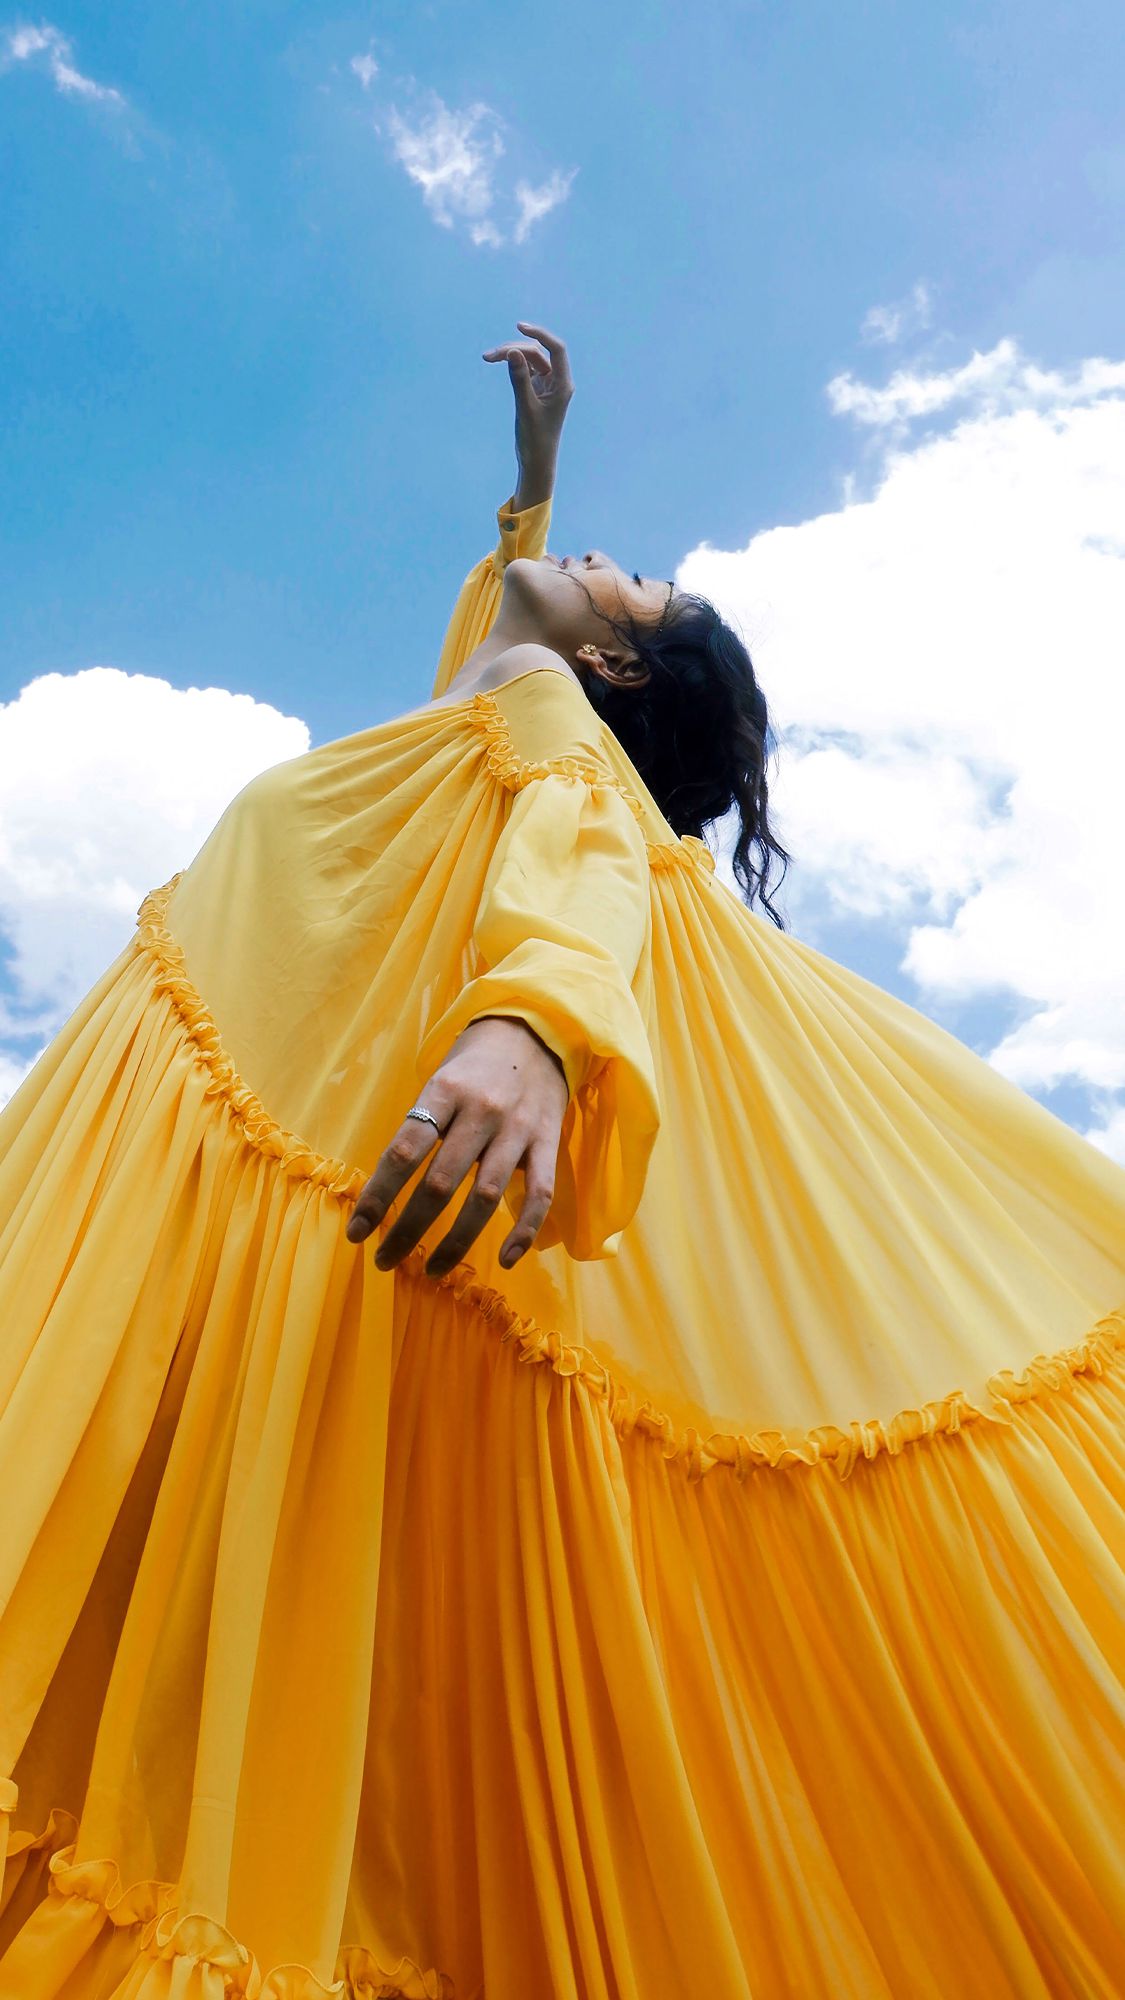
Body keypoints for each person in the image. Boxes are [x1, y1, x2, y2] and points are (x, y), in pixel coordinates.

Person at [1, 323, 1124, 2000]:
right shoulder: (491, 697)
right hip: (224, 1178)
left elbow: (588, 841)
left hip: (255, 1184)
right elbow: (495, 652)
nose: (608, 565)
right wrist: (532, 499)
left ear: (608, 677)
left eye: (633, 585)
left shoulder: (544, 728)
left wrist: (531, 1024)